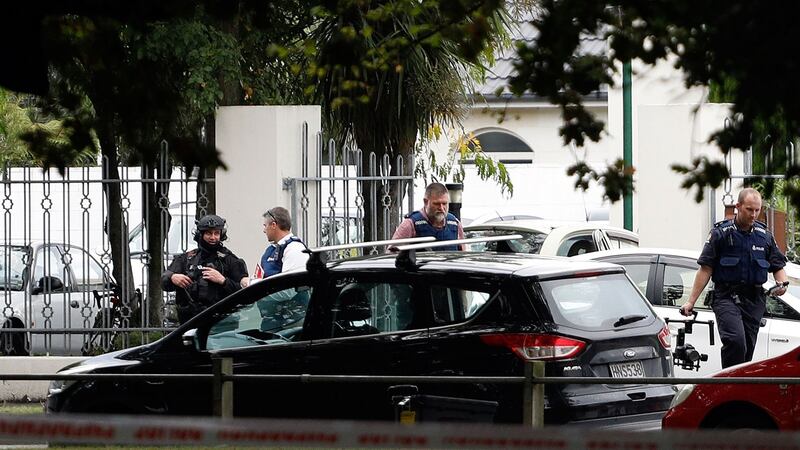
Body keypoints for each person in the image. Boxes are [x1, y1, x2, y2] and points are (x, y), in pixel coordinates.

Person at [679, 188, 789, 368]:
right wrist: (691, 302)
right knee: (736, 341)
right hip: (726, 297)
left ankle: (739, 388)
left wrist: (781, 285)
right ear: (738, 206)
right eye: (749, 209)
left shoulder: (764, 236)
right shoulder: (721, 233)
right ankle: (729, 385)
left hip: (753, 301)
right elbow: (705, 269)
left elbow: (778, 267)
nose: (754, 214)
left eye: (757, 210)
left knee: (746, 349)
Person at [162, 214, 248, 324]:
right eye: (208, 233)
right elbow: (164, 282)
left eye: (216, 233)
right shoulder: (187, 259)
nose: (213, 237)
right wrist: (172, 277)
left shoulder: (230, 260)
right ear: (200, 234)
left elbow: (244, 293)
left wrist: (223, 281)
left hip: (221, 325)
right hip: (189, 322)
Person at [244, 206, 309, 286]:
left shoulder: (294, 249)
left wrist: (252, 284)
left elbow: (288, 289)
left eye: (265, 226)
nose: (264, 230)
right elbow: (260, 277)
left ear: (274, 225)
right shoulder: (270, 250)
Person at [391, 182, 465, 250]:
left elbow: (463, 255)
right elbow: (391, 255)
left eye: (444, 204)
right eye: (436, 204)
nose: (441, 208)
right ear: (426, 202)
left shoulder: (455, 224)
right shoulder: (410, 224)